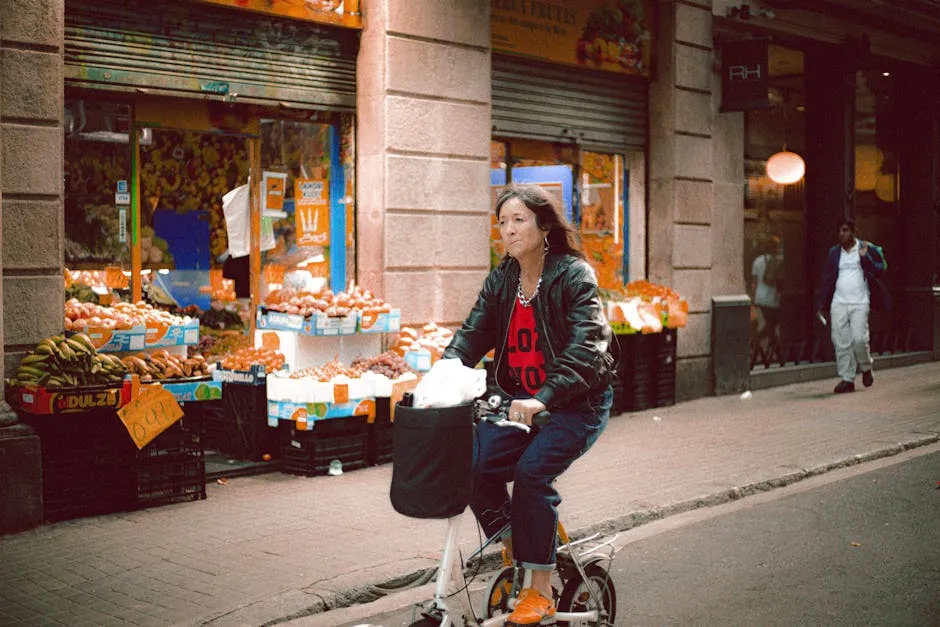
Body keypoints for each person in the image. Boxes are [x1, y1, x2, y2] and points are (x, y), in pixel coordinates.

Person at [443, 184, 615, 626]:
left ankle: (539, 591)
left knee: (532, 474)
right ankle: (520, 543)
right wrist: (438, 380)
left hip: (576, 402)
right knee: (472, 463)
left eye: (519, 220)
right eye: (502, 222)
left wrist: (544, 398)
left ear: (543, 226)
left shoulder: (573, 275)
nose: (509, 230)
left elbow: (588, 346)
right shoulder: (502, 279)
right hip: (518, 402)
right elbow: (471, 336)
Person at [815, 218, 888, 394]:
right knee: (840, 340)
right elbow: (827, 278)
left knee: (859, 339)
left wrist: (866, 257)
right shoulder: (834, 252)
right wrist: (820, 303)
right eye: (839, 231)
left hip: (860, 302)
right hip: (839, 301)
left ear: (853, 231)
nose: (842, 234)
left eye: (845, 230)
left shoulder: (865, 248)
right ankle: (847, 379)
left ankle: (866, 367)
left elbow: (881, 268)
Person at [750, 236, 784, 345]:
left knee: (770, 324)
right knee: (772, 323)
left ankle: (765, 346)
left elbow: (754, 282)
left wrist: (753, 297)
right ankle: (757, 341)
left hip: (760, 297)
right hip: (773, 298)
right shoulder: (780, 260)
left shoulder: (757, 261)